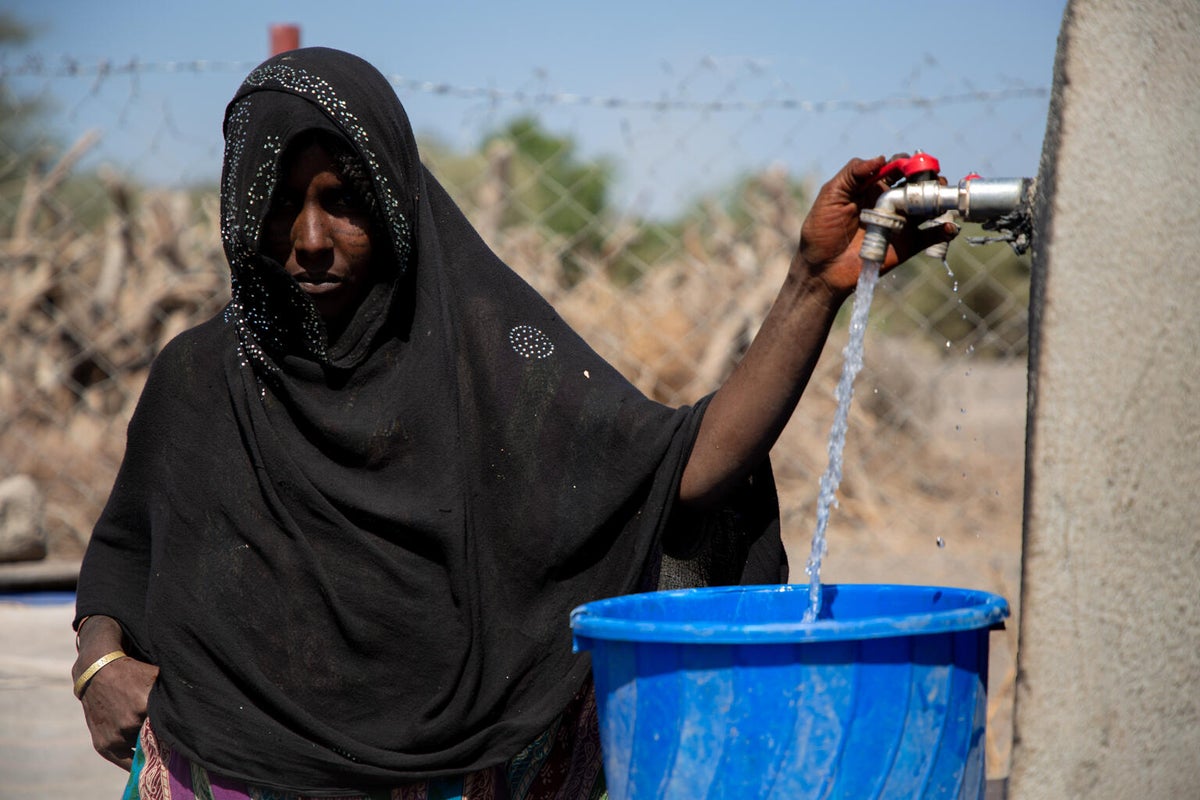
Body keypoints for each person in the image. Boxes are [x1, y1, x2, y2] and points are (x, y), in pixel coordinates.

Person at [72, 47, 955, 799]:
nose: (308, 237)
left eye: (342, 200)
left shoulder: (492, 354)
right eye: (279, 199)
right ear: (239, 210)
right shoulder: (202, 377)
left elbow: (674, 474)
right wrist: (98, 661)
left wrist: (810, 283)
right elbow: (126, 549)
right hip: (227, 771)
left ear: (395, 205)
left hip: (468, 770)